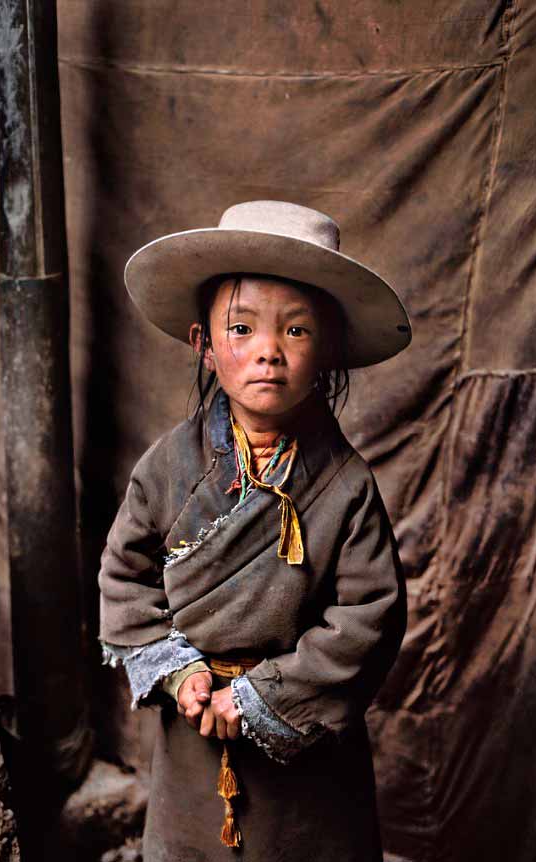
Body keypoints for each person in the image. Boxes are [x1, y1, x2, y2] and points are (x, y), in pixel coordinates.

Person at [98, 200, 412, 862]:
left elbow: (367, 617)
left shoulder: (345, 486)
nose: (268, 351)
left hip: (302, 743)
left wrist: (259, 698)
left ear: (324, 348)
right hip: (195, 722)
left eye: (295, 333)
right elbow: (124, 577)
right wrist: (180, 673)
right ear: (204, 347)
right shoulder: (168, 468)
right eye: (241, 329)